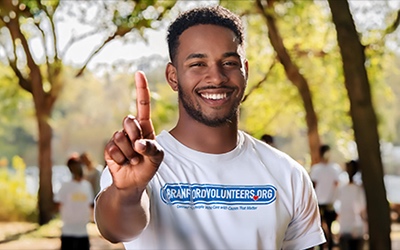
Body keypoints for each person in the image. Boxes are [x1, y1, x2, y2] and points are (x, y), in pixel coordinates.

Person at [95, 6, 325, 250]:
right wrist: (129, 192)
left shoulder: (288, 174)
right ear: (173, 76)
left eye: (228, 62)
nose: (216, 77)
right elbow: (116, 229)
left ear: (245, 70)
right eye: (198, 64)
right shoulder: (138, 165)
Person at [54, 155, 94, 250]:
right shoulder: (66, 186)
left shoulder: (86, 186)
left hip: (82, 232)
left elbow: (57, 205)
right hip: (68, 232)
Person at [310, 144, 342, 250]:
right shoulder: (318, 169)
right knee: (323, 227)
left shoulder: (332, 168)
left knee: (325, 226)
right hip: (322, 202)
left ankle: (327, 245)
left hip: (327, 202)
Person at [335, 160, 367, 250]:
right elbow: (363, 210)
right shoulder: (359, 189)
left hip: (344, 227)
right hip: (357, 228)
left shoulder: (342, 189)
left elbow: (339, 208)